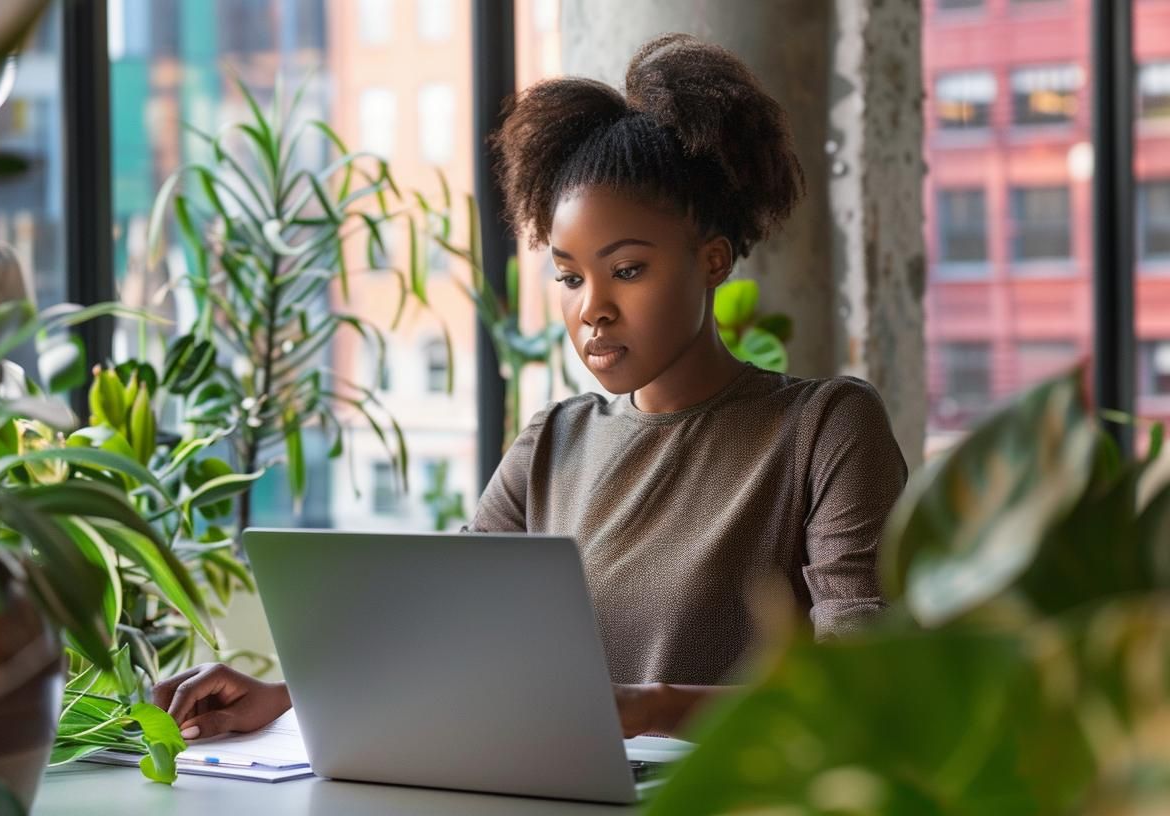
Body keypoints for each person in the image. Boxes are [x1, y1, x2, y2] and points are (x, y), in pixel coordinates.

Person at [154, 32, 908, 742]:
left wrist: (646, 708)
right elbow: (447, 629)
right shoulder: (552, 442)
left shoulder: (824, 428)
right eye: (570, 276)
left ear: (712, 260)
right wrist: (285, 693)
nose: (593, 308)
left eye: (629, 269)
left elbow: (865, 685)